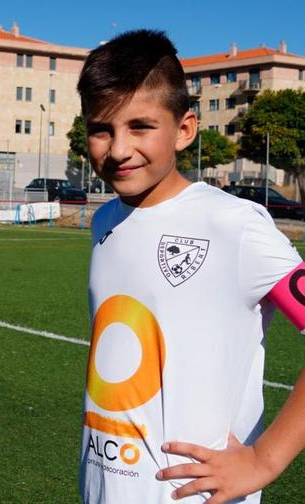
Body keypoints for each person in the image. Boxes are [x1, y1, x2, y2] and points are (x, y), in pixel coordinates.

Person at [76, 30, 304, 503]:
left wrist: (264, 460)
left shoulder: (235, 225)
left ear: (184, 129)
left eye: (140, 126)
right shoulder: (104, 221)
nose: (118, 149)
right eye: (102, 128)